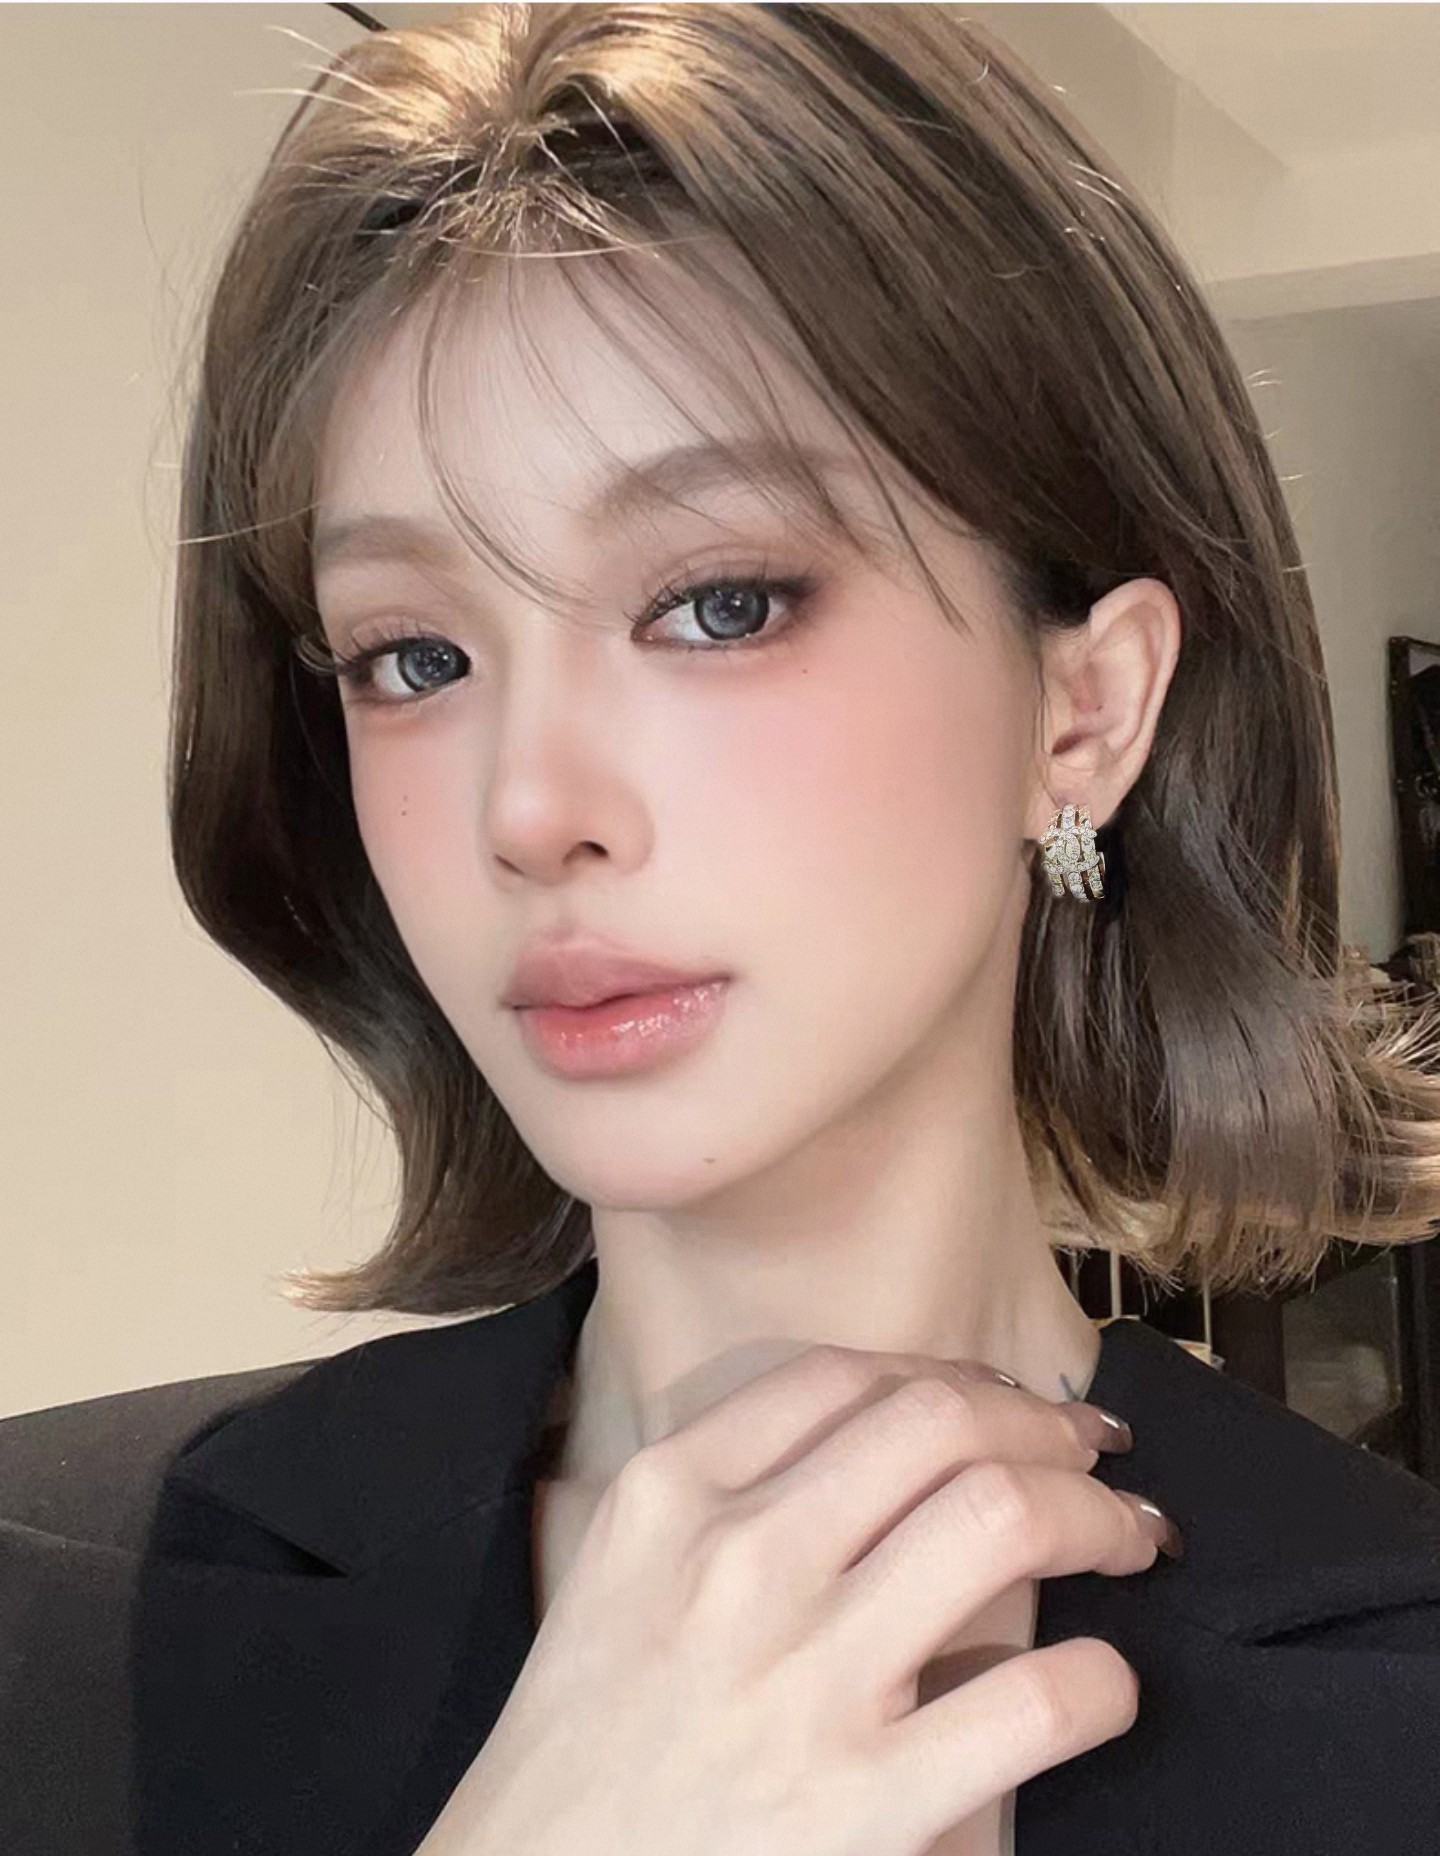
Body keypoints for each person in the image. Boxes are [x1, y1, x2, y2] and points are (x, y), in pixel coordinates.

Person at [4, 6, 1440, 1853]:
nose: (530, 808)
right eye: (411, 658)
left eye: (720, 604)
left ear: (1083, 711)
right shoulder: (56, 1611)